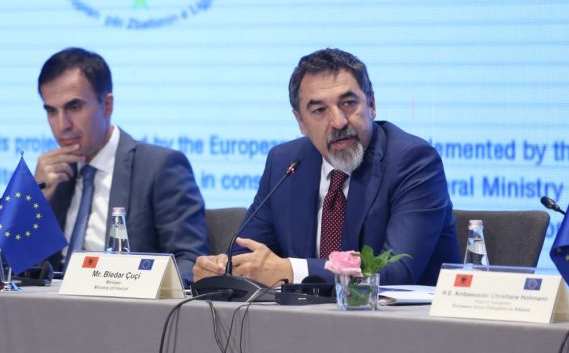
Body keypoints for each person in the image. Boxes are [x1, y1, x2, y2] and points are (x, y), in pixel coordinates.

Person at [193, 48, 460, 286]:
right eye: (319, 110)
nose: (339, 121)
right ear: (300, 121)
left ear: (371, 104)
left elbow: (396, 272)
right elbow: (249, 255)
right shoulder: (285, 163)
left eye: (349, 103)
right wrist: (223, 269)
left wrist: (293, 271)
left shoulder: (413, 161)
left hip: (402, 323)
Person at [34, 48, 209, 284]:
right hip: (50, 303)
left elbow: (191, 262)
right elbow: (14, 271)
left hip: (126, 303)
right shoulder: (52, 177)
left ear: (107, 105)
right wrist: (34, 200)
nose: (62, 124)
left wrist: (133, 286)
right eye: (52, 111)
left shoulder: (159, 168)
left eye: (74, 107)